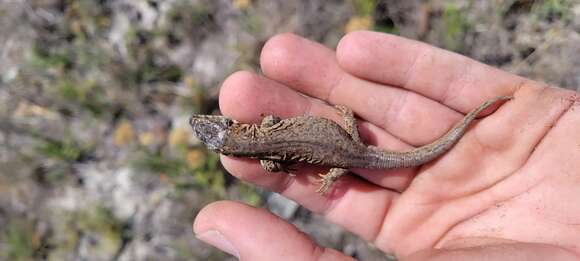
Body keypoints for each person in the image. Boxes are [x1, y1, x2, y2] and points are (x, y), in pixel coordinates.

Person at [193, 31, 580, 260]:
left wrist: (327, 177)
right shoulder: (265, 132)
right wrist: (344, 125)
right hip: (344, 144)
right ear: (231, 130)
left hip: (342, 154)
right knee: (351, 134)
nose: (208, 122)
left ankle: (471, 116)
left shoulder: (268, 158)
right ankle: (351, 125)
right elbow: (274, 130)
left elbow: (280, 167)